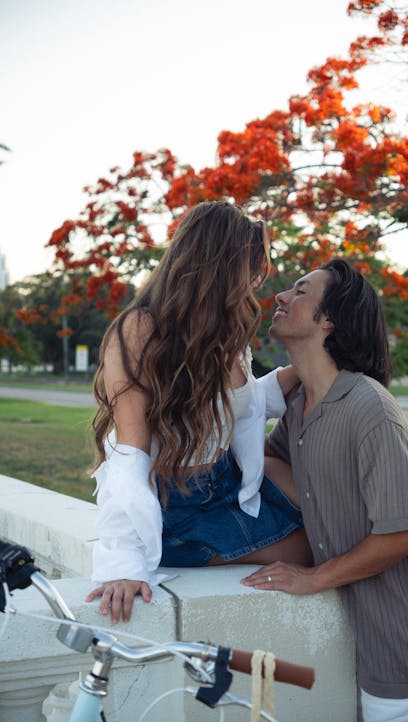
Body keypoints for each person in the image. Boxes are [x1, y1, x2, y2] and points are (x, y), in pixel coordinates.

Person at [241, 259, 408, 722]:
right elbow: (263, 466)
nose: (279, 297)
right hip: (342, 647)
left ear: (328, 320)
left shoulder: (369, 406)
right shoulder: (298, 407)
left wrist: (314, 577)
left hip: (397, 651)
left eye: (299, 291)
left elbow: (406, 532)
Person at [86, 201, 312, 624]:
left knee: (342, 517)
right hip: (176, 505)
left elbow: (237, 407)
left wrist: (311, 364)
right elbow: (130, 453)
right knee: (318, 550)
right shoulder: (138, 331)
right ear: (221, 264)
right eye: (252, 265)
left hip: (223, 480)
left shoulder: (224, 331)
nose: (258, 278)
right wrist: (121, 564)